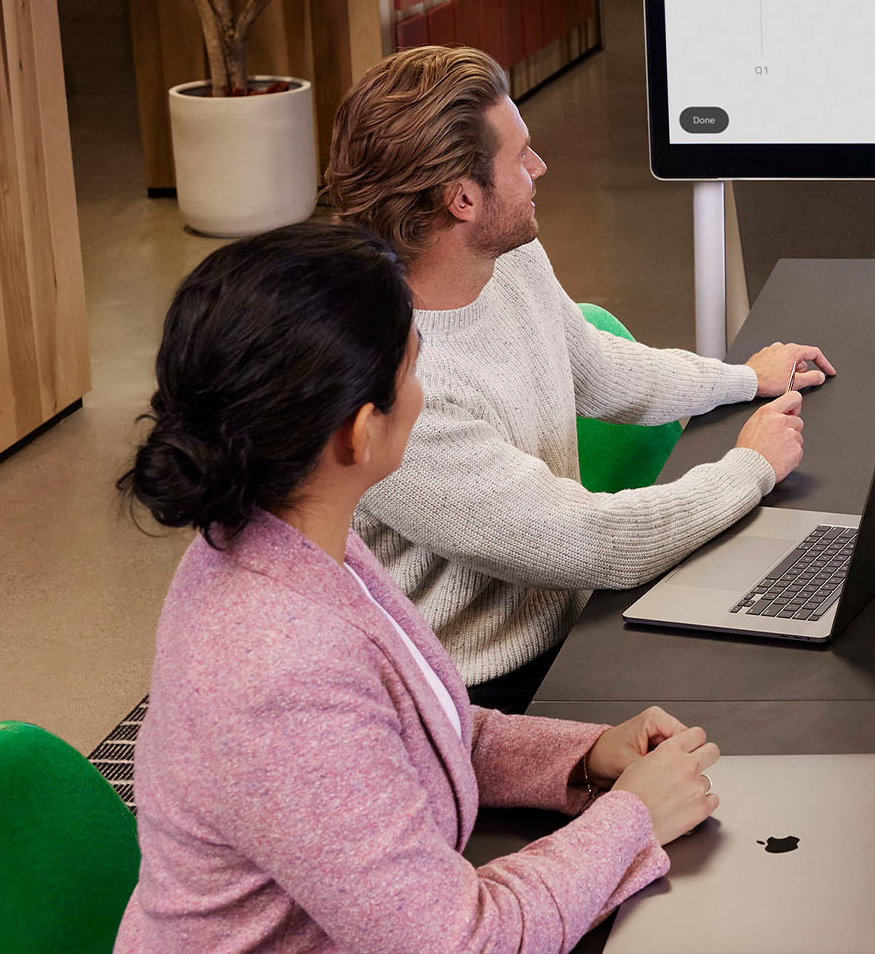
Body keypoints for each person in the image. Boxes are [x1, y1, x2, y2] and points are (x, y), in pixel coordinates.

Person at [116, 222, 726, 952]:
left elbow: (415, 730)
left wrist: (587, 757)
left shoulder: (286, 534)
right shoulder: (279, 668)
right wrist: (630, 819)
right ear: (359, 434)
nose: (424, 391)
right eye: (412, 371)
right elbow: (458, 941)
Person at [323, 46, 832, 711]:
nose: (540, 167)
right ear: (464, 199)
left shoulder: (508, 255)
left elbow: (591, 365)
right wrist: (749, 468)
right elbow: (593, 544)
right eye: (520, 156)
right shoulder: (396, 383)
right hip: (480, 695)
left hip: (574, 619)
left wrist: (738, 379)